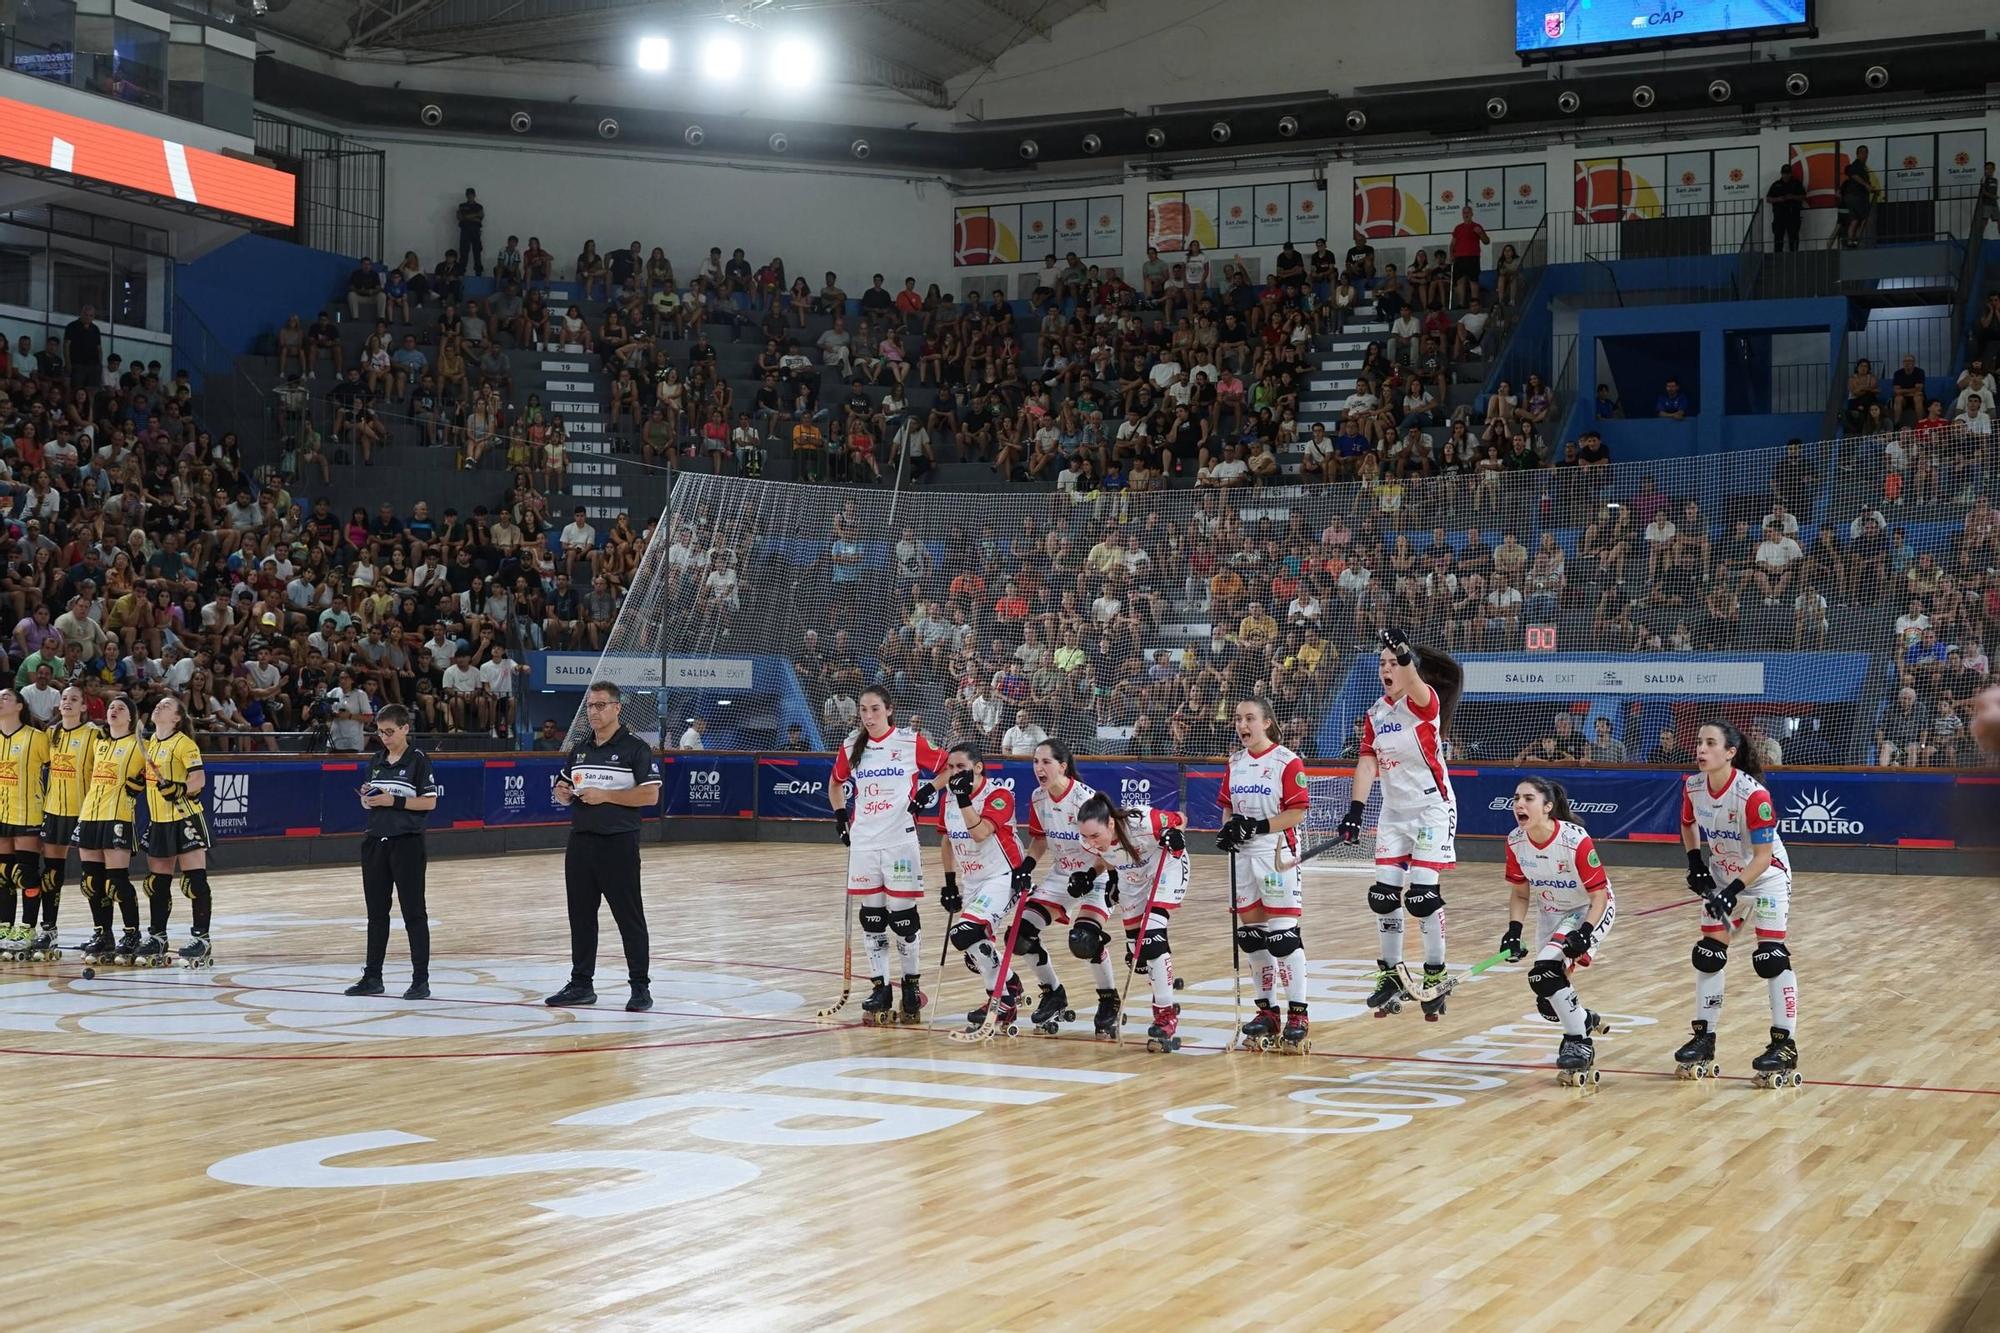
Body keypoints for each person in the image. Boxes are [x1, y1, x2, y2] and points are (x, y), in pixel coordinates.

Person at [1337, 628, 1465, 1021]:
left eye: (1393, 663)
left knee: (1423, 897)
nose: (1387, 669)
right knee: (1383, 897)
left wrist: (1404, 650)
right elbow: (1367, 762)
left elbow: (1413, 676)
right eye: (1382, 663)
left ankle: (1434, 971)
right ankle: (1390, 973)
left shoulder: (1423, 702)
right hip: (1394, 813)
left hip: (1431, 810)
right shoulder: (1375, 714)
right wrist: (1355, 810)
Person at [1675, 721, 1800, 1085]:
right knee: (1708, 953)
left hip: (1764, 879)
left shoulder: (1753, 795)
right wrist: (1695, 861)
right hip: (1723, 876)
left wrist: (1732, 890)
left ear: (1730, 752)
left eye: (1710, 743)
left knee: (1770, 958)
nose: (1701, 749)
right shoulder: (1693, 786)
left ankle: (1784, 1043)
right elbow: (1687, 825)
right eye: (1699, 742)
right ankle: (1703, 1037)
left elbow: (1762, 856)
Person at [827, 684, 940, 1024]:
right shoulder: (850, 746)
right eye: (863, 710)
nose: (868, 716)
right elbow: (835, 784)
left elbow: (951, 766)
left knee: (903, 919)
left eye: (875, 709)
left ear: (889, 710)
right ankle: (880, 987)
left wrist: (928, 790)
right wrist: (840, 816)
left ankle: (911, 984)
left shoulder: (910, 742)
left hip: (899, 842)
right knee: (872, 918)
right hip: (864, 842)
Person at [547, 682, 661, 1011]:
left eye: (600, 705)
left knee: (629, 918)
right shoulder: (580, 749)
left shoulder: (635, 749)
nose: (593, 712)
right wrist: (562, 792)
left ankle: (640, 987)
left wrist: (606, 795)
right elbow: (565, 783)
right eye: (590, 706)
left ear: (616, 708)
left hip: (618, 844)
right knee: (580, 917)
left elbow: (650, 795)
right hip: (580, 843)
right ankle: (581, 983)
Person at [1500, 777, 1616, 1084]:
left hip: (1586, 909)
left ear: (1548, 807)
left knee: (1545, 973)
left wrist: (1586, 931)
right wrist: (1513, 931)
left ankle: (1579, 1042)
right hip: (1552, 912)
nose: (1519, 805)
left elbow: (1599, 896)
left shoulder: (1575, 839)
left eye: (1528, 799)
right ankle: (1583, 1019)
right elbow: (1521, 893)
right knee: (1547, 993)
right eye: (1516, 798)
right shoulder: (1515, 841)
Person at [1215, 697, 1312, 1053]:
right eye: (1239, 719)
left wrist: (1257, 825)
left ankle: (1298, 1013)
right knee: (1252, 939)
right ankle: (1267, 1011)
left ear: (1267, 723)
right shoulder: (1235, 762)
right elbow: (1227, 807)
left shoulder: (1287, 761)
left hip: (1276, 854)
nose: (1242, 725)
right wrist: (1227, 830)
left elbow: (1297, 812)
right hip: (1243, 856)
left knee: (1283, 939)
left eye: (1250, 719)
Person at [1017, 740, 1119, 1037]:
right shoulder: (1038, 798)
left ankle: (1108, 999)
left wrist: (1090, 874)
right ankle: (1053, 992)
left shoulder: (1085, 801)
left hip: (1097, 874)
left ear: (1062, 766)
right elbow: (1038, 841)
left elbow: (1108, 846)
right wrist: (1025, 867)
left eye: (1046, 762)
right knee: (1021, 935)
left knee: (1083, 939)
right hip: (1062, 875)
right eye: (1035, 762)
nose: (1039, 768)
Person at [1075, 791, 1188, 1052]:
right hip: (1131, 878)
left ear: (1111, 824)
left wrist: (1176, 832)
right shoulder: (1094, 843)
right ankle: (1164, 985)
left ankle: (1165, 1013)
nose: (1091, 842)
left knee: (1151, 936)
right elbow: (1109, 856)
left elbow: (1179, 818)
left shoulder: (1143, 821)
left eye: (1095, 836)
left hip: (1165, 866)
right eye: (1085, 837)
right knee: (1137, 955)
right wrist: (1094, 874)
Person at [938, 742, 1034, 1033]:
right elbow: (946, 838)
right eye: (950, 768)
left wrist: (964, 798)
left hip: (1004, 876)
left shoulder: (999, 795)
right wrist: (950, 883)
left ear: (977, 768)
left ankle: (1001, 1001)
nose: (954, 774)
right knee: (974, 949)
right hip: (973, 880)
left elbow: (979, 833)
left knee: (968, 932)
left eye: (961, 768)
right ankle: (1010, 984)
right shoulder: (949, 798)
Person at [347, 704, 438, 1000]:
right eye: (379, 731)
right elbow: (375, 798)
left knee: (414, 913)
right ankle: (373, 976)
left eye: (389, 732)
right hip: (375, 841)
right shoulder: (375, 760)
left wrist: (393, 801)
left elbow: (429, 803)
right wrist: (368, 801)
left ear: (405, 729)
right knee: (376, 914)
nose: (384, 737)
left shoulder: (419, 760)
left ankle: (420, 980)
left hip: (407, 843)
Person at [70, 694, 146, 963]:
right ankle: (103, 933)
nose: (114, 710)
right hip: (90, 814)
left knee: (117, 880)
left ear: (131, 717)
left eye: (121, 708)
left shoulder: (139, 745)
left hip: (118, 816)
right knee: (91, 881)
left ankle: (132, 933)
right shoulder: (98, 743)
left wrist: (139, 785)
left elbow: (155, 774)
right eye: (111, 706)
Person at [140, 693, 212, 966]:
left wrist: (179, 788)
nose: (159, 706)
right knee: (157, 883)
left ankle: (201, 938)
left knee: (195, 881)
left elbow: (198, 780)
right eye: (158, 704)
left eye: (167, 705)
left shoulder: (185, 744)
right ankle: (157, 936)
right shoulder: (149, 745)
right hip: (158, 821)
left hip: (185, 818)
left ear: (178, 718)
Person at [29, 684, 97, 959]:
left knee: (92, 876)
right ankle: (48, 929)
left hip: (85, 811)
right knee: (51, 874)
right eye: (64, 698)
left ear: (83, 706)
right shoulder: (51, 734)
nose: (68, 702)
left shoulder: (93, 734)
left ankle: (101, 931)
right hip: (55, 811)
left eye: (74, 699)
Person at [0, 689, 49, 954]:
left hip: (27, 812)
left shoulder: (36, 738)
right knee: (2, 875)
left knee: (26, 873)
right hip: (0, 813)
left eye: (5, 697)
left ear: (20, 705)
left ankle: (27, 927)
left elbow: (59, 770)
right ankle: (4, 925)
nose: (0, 701)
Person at [1765, 163, 1806, 252]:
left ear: (1791, 173)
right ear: (1781, 173)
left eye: (1788, 173)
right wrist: (1779, 199)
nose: (1786, 175)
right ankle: (1778, 259)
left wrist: (1792, 197)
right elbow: (1768, 199)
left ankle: (1794, 258)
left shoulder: (1796, 183)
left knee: (1794, 238)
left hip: (1793, 215)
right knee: (1778, 239)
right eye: (1784, 173)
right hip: (1779, 216)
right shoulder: (1776, 185)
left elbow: (1803, 197)